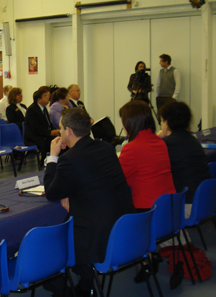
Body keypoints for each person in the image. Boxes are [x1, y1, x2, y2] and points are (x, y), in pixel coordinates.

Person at [44, 108, 135, 297]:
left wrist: (52, 157)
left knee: (53, 241)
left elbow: (52, 192)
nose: (60, 133)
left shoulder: (69, 159)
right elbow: (92, 180)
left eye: (61, 129)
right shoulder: (106, 148)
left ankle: (68, 287)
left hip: (97, 234)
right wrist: (69, 191)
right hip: (123, 223)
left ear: (68, 131)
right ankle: (86, 283)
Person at [119, 100, 176, 211]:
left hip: (147, 210)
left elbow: (118, 177)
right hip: (169, 206)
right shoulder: (160, 142)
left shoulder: (131, 148)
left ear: (130, 123)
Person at [157, 101, 211, 209]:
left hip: (186, 203)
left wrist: (157, 138)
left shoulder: (166, 144)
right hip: (206, 199)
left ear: (167, 123)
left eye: (162, 121)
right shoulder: (193, 140)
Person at [24, 86, 60, 164]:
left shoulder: (43, 108)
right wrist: (50, 132)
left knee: (60, 138)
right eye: (45, 96)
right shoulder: (32, 110)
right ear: (39, 100)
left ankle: (57, 160)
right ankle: (48, 161)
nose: (48, 98)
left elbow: (48, 123)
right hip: (34, 136)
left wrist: (55, 131)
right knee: (54, 141)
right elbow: (35, 128)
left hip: (43, 133)